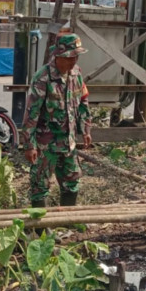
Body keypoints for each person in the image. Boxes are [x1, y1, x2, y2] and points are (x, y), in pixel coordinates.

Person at [21, 33, 92, 208]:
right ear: (58, 56)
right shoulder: (43, 77)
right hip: (46, 145)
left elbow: (83, 101)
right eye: (69, 57)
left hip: (69, 142)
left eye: (76, 57)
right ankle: (41, 229)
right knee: (40, 185)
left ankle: (65, 223)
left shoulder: (76, 74)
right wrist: (29, 146)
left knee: (72, 182)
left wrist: (86, 129)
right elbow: (31, 114)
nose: (73, 61)